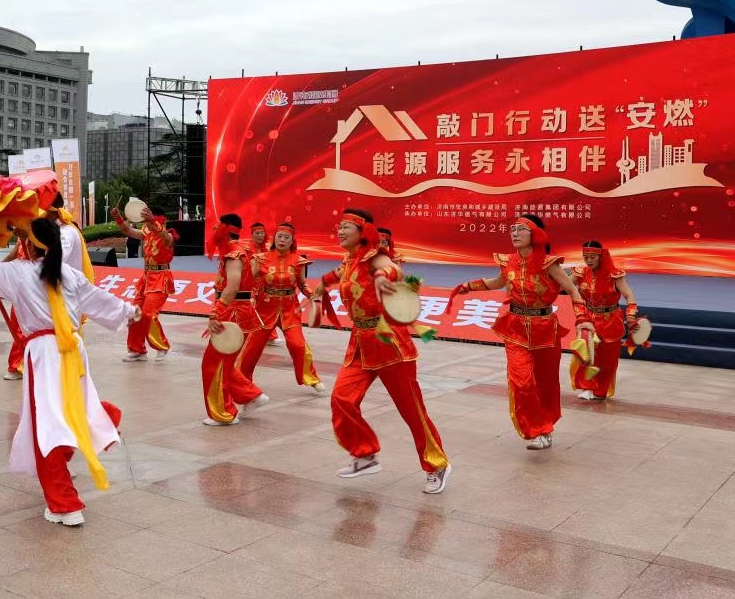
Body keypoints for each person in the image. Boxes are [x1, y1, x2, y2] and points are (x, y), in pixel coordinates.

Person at [0, 217, 137, 526]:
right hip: (72, 350)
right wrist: (128, 311)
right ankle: (98, 420)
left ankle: (64, 504)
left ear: (30, 246)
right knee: (68, 412)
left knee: (45, 427)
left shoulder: (19, 273)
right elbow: (99, 301)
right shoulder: (69, 274)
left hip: (44, 354)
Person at [310, 208, 450, 493]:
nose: (340, 231)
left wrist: (383, 277)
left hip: (389, 342)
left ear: (362, 232)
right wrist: (318, 290)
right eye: (339, 226)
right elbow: (332, 277)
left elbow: (392, 268)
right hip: (360, 342)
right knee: (342, 398)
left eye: (347, 227)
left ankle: (436, 464)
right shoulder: (349, 261)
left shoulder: (375, 256)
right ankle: (365, 455)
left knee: (411, 411)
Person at [449, 214, 587, 450]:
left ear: (536, 234)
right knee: (521, 382)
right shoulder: (507, 261)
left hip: (544, 329)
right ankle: (537, 430)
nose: (514, 233)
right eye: (512, 229)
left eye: (521, 229)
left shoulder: (549, 263)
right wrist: (468, 286)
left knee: (545, 383)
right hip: (515, 329)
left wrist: (582, 319)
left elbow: (573, 291)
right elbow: (497, 282)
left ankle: (546, 426)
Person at [201, 214, 268, 426]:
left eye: (216, 227)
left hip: (232, 312)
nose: (213, 231)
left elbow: (232, 286)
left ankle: (224, 413)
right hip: (237, 310)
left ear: (225, 229)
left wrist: (216, 312)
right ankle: (252, 396)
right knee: (225, 364)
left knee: (214, 364)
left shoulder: (233, 253)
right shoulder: (238, 251)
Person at [240, 222, 324, 391]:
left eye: (286, 237)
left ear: (292, 240)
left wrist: (312, 296)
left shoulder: (298, 261)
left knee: (298, 345)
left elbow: (302, 284)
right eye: (279, 236)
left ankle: (310, 377)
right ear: (274, 238)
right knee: (251, 349)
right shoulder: (261, 258)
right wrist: (249, 297)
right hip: (264, 309)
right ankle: (241, 381)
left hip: (290, 310)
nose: (282, 240)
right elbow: (248, 280)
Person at [569, 241, 640, 401]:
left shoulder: (614, 275)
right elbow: (565, 286)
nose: (588, 260)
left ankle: (601, 390)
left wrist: (630, 315)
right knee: (586, 353)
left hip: (610, 320)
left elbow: (629, 295)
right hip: (588, 320)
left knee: (607, 359)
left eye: (592, 257)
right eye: (586, 257)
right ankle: (587, 386)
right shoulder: (580, 272)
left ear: (601, 257)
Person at [111, 204, 178, 362]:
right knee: (135, 313)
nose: (145, 222)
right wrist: (118, 217)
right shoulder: (146, 233)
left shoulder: (167, 235)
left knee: (149, 315)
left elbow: (168, 239)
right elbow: (127, 230)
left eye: (148, 219)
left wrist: (153, 221)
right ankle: (138, 350)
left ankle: (162, 346)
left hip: (161, 278)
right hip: (147, 278)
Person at [0, 227, 34, 379]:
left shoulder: (36, 234)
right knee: (17, 325)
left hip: (32, 286)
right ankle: (20, 364)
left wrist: (27, 238)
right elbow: (14, 254)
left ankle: (17, 366)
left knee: (24, 328)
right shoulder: (21, 236)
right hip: (20, 286)